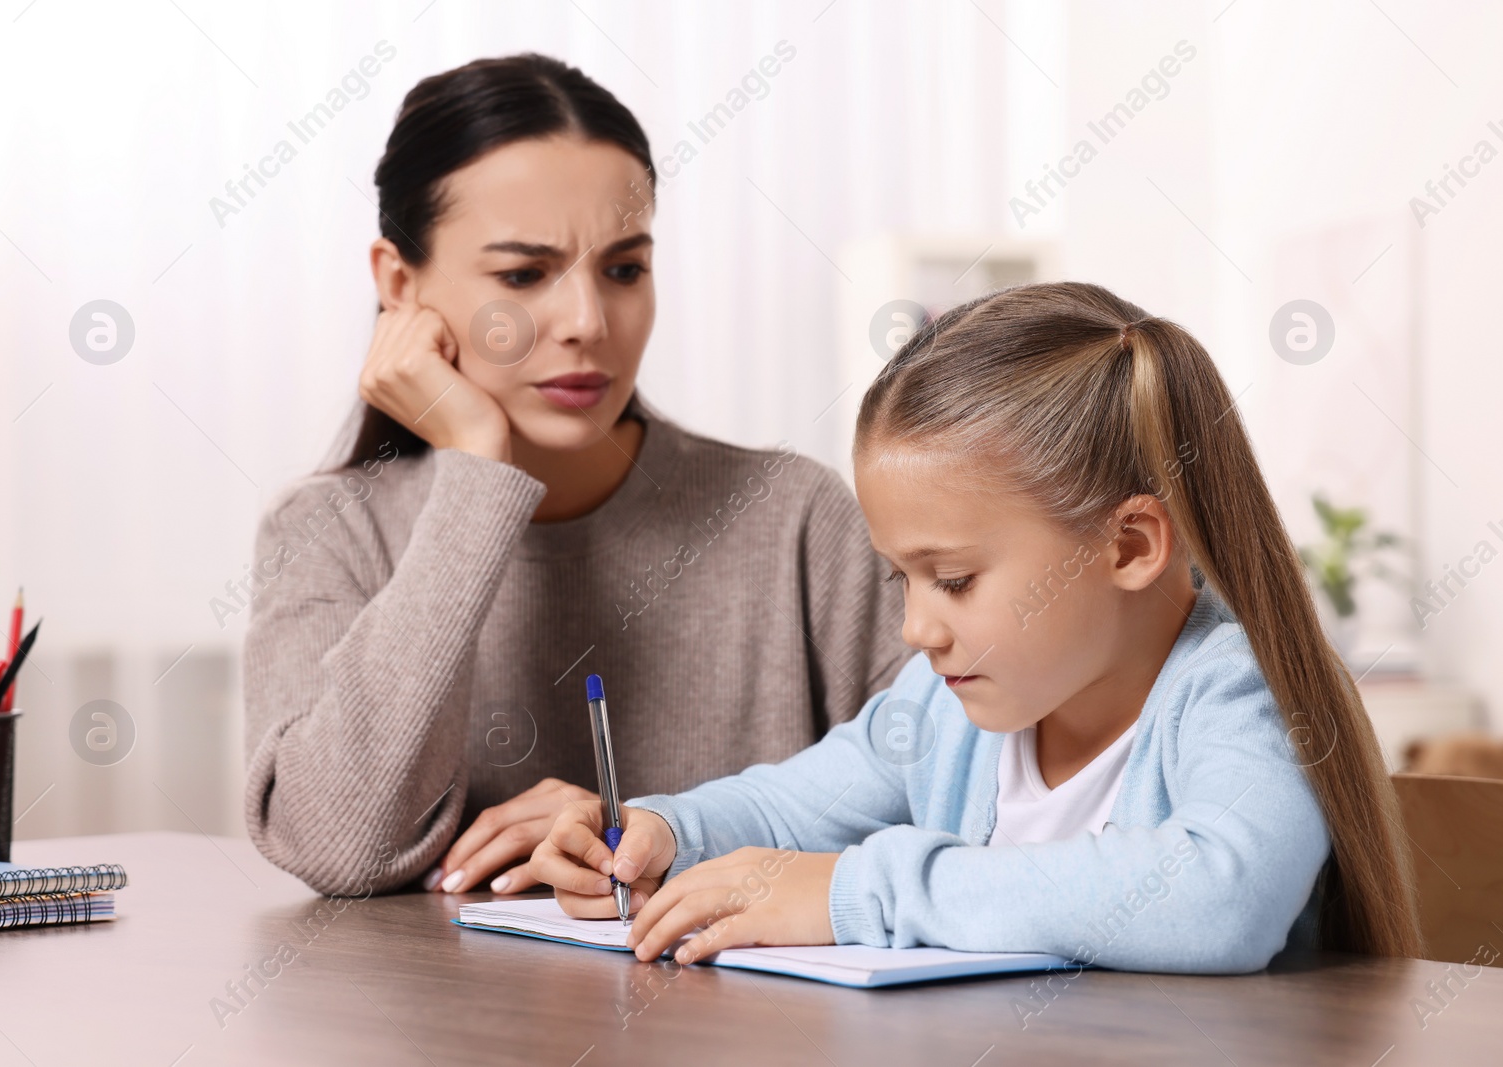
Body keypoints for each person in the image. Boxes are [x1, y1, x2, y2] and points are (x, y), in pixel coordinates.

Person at [531, 281, 1422, 972]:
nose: (918, 626)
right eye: (901, 578)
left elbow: (1219, 898)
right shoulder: (949, 702)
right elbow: (789, 802)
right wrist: (662, 828)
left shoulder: (1237, 693)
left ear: (1130, 544)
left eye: (953, 579)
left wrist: (858, 889)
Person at [241, 54, 907, 897]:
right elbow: (336, 845)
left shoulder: (792, 516)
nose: (588, 323)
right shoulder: (329, 530)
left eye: (624, 269)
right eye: (522, 275)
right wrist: (478, 472)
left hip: (755, 1026)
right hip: (442, 1024)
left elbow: (955, 810)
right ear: (399, 285)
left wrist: (652, 829)